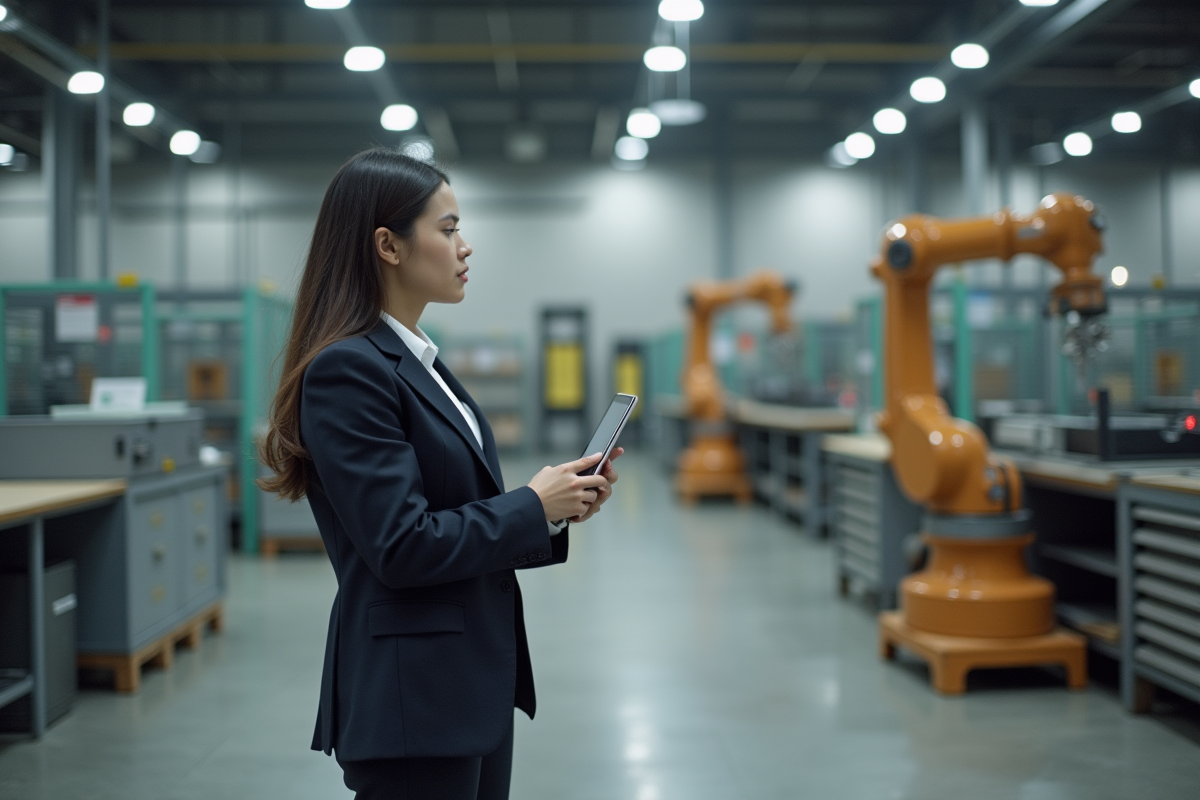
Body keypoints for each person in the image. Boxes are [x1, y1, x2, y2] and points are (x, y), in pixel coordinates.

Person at [259, 147, 622, 799]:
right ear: (388, 246)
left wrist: (554, 508)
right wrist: (531, 505)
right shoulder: (349, 370)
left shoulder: (420, 362)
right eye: (448, 229)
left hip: (467, 683)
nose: (465, 246)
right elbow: (402, 546)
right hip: (415, 698)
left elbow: (454, 509)